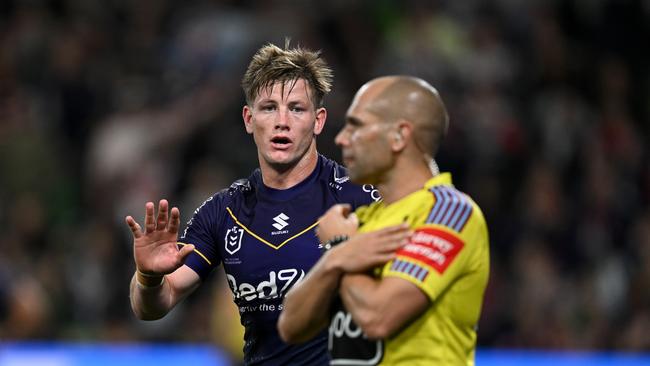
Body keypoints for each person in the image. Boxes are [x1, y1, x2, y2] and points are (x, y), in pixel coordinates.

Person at [125, 42, 376, 365]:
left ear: (318, 120)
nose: (281, 121)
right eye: (269, 107)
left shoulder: (360, 198)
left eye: (297, 109)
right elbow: (153, 305)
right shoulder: (223, 212)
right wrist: (148, 277)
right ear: (248, 118)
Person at [278, 76, 490, 365]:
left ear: (399, 135)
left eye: (357, 125)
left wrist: (341, 247)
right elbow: (290, 326)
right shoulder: (359, 219)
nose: (341, 138)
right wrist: (335, 259)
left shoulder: (449, 213)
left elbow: (377, 318)